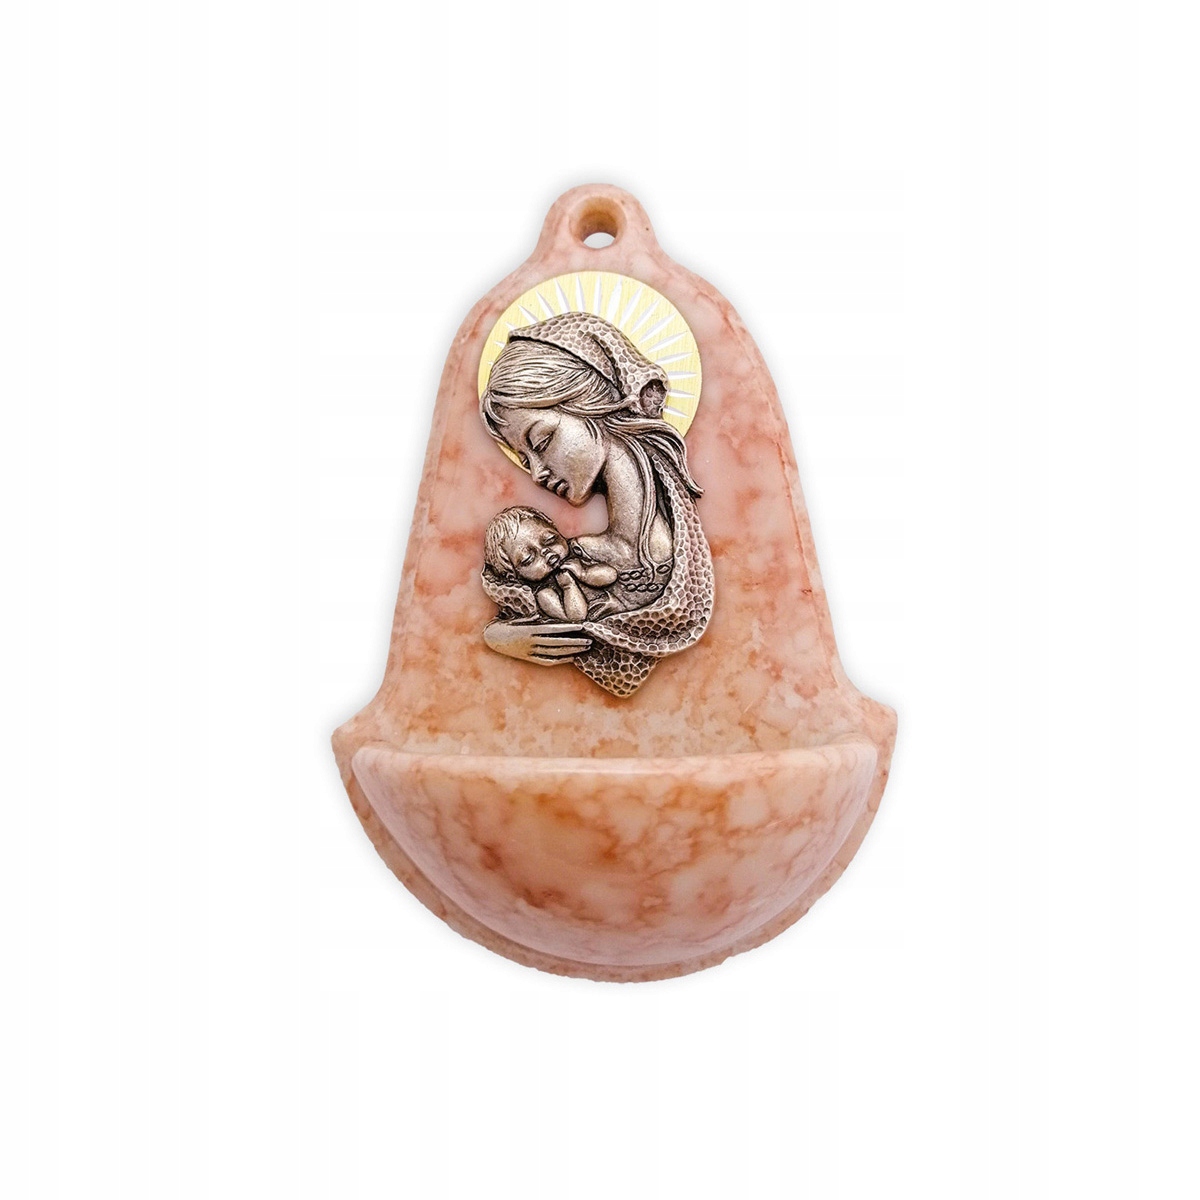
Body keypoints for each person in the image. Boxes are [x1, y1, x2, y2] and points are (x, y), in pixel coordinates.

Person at [478, 310, 714, 697]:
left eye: (541, 442)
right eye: (525, 460)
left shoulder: (682, 542)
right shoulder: (574, 554)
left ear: (589, 402)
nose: (536, 474)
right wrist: (499, 636)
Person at [483, 505, 619, 622]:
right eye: (529, 559)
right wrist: (568, 586)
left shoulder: (580, 554)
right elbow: (577, 618)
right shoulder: (544, 594)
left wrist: (584, 573)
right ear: (514, 575)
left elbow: (612, 575)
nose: (546, 553)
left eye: (550, 540)